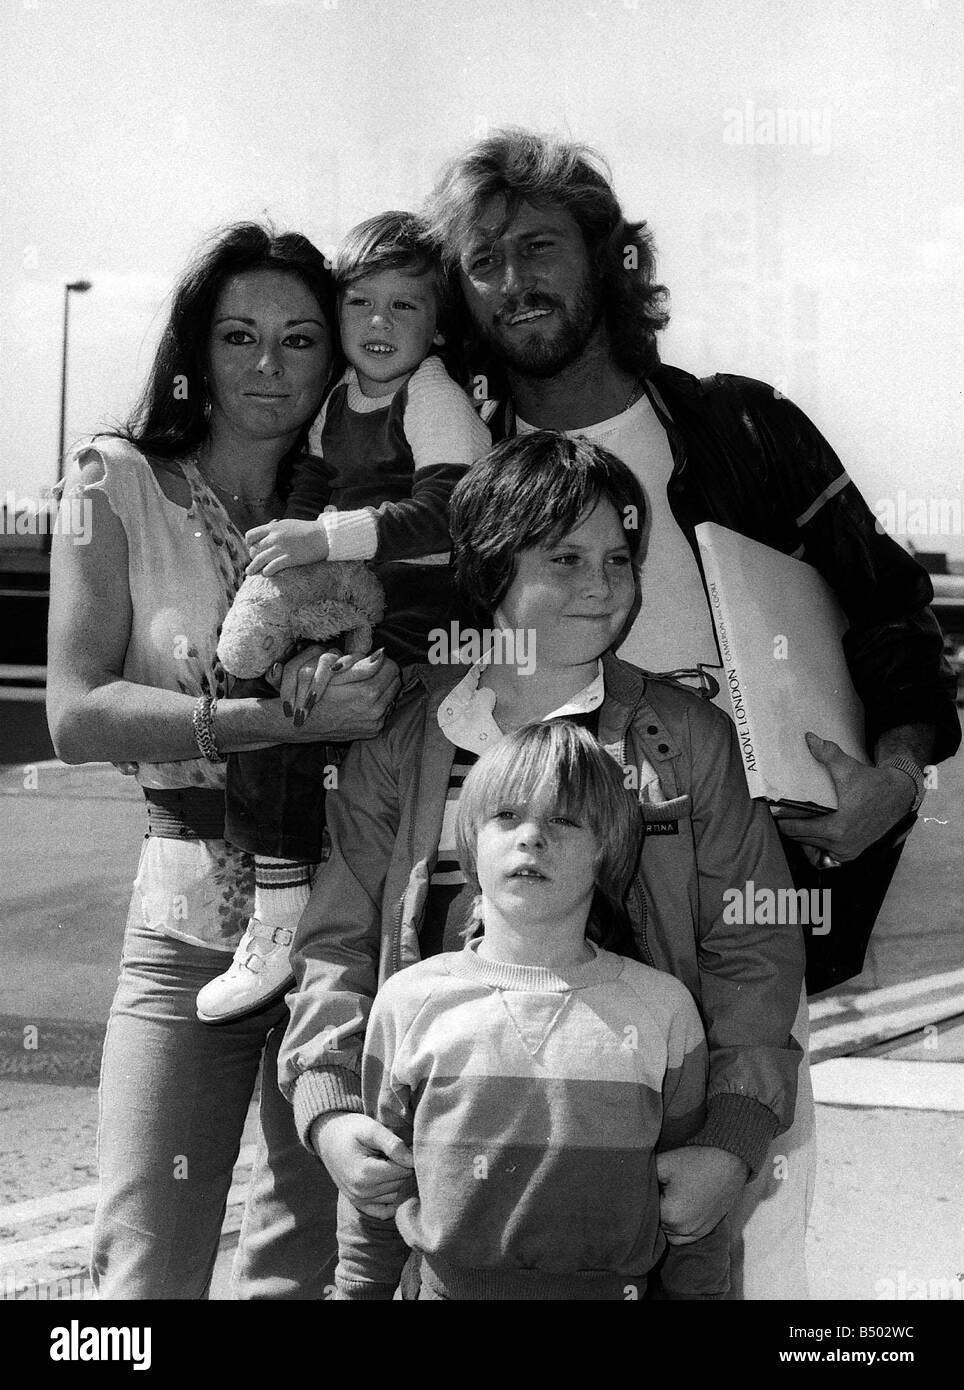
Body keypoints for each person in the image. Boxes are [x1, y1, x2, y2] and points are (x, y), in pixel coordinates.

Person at [420, 127, 960, 979]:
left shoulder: (746, 433)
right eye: (484, 261)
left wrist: (892, 782)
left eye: (539, 248)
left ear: (606, 260)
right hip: (533, 925)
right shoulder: (457, 479)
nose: (514, 282)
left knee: (748, 1113)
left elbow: (893, 612)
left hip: (748, 926)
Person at [277, 432, 805, 1299]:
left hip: (639, 1177)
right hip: (437, 1187)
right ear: (490, 569)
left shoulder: (688, 741)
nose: (601, 586)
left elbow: (754, 943)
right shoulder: (403, 736)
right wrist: (332, 1107)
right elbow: (337, 941)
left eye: (619, 559)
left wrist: (731, 1136)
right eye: (565, 558)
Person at [45, 222, 400, 1300]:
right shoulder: (111, 480)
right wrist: (264, 722)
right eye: (240, 335)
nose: (268, 366)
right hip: (183, 926)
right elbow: (76, 712)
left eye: (299, 340)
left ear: (335, 359)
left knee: (307, 1267)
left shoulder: (364, 511)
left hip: (342, 933)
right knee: (140, 1266)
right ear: (196, 348)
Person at [197, 211, 490, 1025]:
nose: (380, 324)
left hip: (423, 615)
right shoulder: (339, 400)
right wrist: (284, 548)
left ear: (437, 323)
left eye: (406, 307)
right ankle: (279, 901)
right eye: (361, 304)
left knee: (340, 722)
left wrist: (322, 538)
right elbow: (312, 485)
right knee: (253, 675)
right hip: (353, 590)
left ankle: (356, 943)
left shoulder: (433, 397)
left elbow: (448, 513)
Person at [334, 720, 730, 1301]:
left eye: (564, 820)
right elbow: (376, 1186)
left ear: (609, 849)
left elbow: (693, 1199)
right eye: (507, 816)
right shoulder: (409, 1001)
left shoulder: (663, 1008)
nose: (531, 838)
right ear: (470, 839)